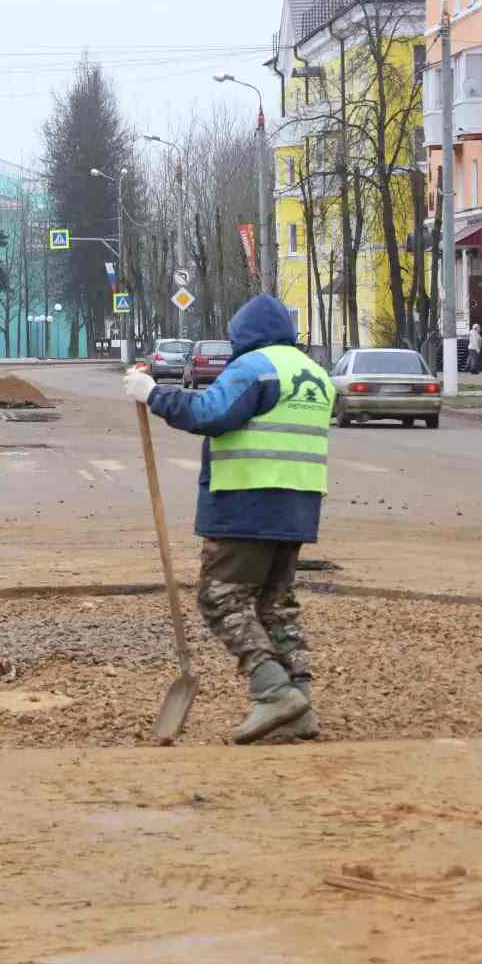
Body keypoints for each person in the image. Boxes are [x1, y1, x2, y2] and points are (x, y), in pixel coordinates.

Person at [123, 294, 331, 745]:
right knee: (276, 603)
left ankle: (273, 691)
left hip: (246, 503)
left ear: (244, 336)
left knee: (220, 598)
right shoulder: (312, 372)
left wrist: (153, 394)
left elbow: (210, 413)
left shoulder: (255, 367)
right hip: (297, 507)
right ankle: (301, 705)